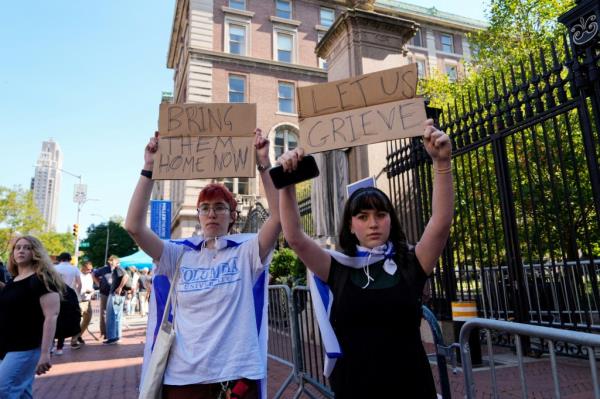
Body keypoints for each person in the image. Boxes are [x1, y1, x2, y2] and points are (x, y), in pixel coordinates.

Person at [277, 119, 454, 398]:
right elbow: (295, 237)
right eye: (362, 216)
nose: (373, 223)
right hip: (354, 389)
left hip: (411, 388)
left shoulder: (411, 262)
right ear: (350, 225)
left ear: (390, 221)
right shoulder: (337, 268)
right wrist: (287, 182)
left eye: (380, 215)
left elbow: (441, 223)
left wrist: (442, 165)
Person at [125, 129, 280, 399]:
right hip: (184, 378)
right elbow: (134, 226)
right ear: (198, 216)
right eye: (205, 208)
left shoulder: (246, 252)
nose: (211, 214)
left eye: (219, 207)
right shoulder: (178, 255)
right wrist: (149, 167)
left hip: (237, 376)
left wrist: (263, 163)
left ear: (232, 216)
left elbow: (278, 218)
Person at [0, 236, 64, 398]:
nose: (21, 251)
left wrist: (45, 353)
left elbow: (51, 316)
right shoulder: (14, 281)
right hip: (9, 346)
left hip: (27, 347)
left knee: (3, 389)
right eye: (18, 247)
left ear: (35, 253)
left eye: (27, 248)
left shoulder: (41, 279)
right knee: (22, 393)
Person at [53, 252, 82, 355]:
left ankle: (51, 345)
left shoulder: (54, 268)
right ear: (69, 259)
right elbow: (79, 284)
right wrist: (77, 295)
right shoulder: (74, 268)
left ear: (60, 259)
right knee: (63, 321)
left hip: (55, 295)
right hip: (69, 296)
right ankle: (59, 348)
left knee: (52, 319)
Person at [92, 255, 119, 339]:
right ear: (110, 261)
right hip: (104, 292)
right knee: (103, 313)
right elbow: (93, 274)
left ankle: (113, 332)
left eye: (118, 261)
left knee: (114, 313)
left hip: (114, 293)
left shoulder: (118, 269)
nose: (117, 263)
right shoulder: (103, 269)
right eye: (116, 261)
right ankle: (104, 333)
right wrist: (98, 283)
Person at [104, 257, 128, 344]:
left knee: (112, 315)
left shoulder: (118, 269)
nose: (110, 262)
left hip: (116, 295)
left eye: (112, 261)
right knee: (116, 316)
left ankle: (113, 337)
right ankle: (116, 336)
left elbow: (126, 276)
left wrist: (120, 287)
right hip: (118, 295)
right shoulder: (118, 269)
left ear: (117, 262)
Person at [71, 261, 94, 348]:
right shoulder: (78, 275)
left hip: (88, 300)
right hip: (80, 300)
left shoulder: (89, 276)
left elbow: (91, 286)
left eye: (90, 269)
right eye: (88, 269)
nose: (89, 271)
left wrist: (91, 291)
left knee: (87, 320)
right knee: (77, 321)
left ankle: (79, 335)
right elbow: (76, 287)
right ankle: (74, 340)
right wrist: (83, 292)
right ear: (83, 267)